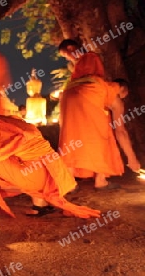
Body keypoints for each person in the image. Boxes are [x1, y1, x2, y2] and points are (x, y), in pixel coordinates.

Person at [0, 109, 101, 219]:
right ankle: (40, 204)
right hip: (50, 173)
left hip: (35, 175)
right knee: (6, 162)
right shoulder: (4, 121)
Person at [58, 39, 140, 189]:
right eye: (123, 97)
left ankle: (68, 181)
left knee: (72, 134)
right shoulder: (108, 88)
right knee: (106, 132)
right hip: (86, 93)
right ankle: (101, 180)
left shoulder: (85, 72)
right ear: (123, 90)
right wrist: (132, 159)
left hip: (67, 95)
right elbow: (120, 131)